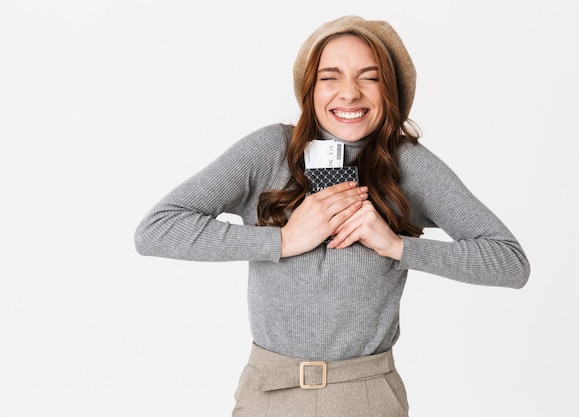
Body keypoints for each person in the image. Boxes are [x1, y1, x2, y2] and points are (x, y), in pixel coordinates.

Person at [135, 15, 530, 417]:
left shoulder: (408, 166)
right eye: (330, 77)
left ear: (389, 90)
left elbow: (510, 263)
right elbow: (156, 229)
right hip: (268, 394)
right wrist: (284, 240)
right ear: (310, 89)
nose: (350, 94)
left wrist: (397, 245)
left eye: (369, 77)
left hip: (368, 396)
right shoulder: (269, 151)